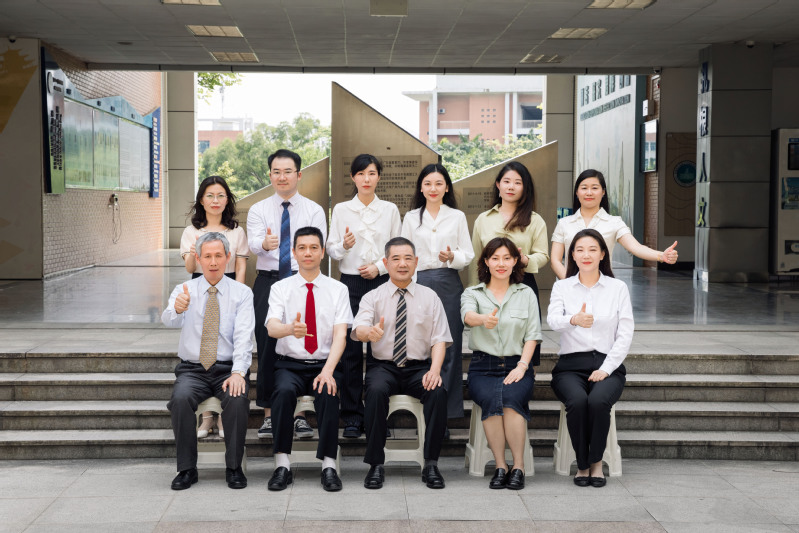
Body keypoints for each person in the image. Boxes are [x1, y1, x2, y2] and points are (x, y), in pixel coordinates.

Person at [352, 237, 451, 490]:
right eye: (395, 259)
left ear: (416, 262)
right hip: (383, 367)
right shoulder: (373, 296)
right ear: (385, 263)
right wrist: (369, 333)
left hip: (420, 368)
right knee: (375, 391)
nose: (402, 264)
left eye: (408, 258)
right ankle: (375, 464)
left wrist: (435, 371)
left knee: (437, 391)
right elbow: (359, 328)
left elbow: (440, 339)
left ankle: (431, 463)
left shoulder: (430, 297)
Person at [161, 232, 254, 490]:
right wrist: (177, 308)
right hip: (192, 370)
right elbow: (168, 320)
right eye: (207, 256)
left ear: (228, 257)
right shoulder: (184, 290)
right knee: (180, 399)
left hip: (227, 369)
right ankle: (186, 469)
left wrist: (238, 373)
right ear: (199, 259)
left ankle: (234, 467)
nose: (213, 262)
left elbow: (244, 336)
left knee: (237, 399)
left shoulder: (242, 293)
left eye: (218, 256)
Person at [247, 149, 327, 441]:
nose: (282, 177)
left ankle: (300, 415)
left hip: (300, 281)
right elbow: (253, 244)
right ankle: (269, 415)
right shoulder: (258, 209)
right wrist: (265, 244)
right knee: (268, 345)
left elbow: (317, 246)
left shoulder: (313, 210)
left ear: (299, 174)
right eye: (276, 172)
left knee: (301, 344)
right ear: (270, 175)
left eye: (288, 171)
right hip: (268, 282)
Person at [265, 226, 352, 492]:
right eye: (302, 248)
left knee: (328, 391)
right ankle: (282, 465)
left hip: (325, 363)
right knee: (282, 392)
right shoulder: (280, 288)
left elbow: (341, 335)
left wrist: (328, 371)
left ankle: (328, 465)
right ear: (293, 252)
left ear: (323, 252)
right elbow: (272, 328)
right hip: (289, 364)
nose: (308, 253)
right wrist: (290, 329)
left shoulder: (338, 289)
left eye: (314, 248)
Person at [547, 228, 633, 488]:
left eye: (593, 249)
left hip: (608, 365)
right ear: (572, 255)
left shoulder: (618, 288)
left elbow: (625, 333)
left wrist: (606, 369)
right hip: (570, 366)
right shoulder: (562, 286)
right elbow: (552, 321)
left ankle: (595, 463)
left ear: (603, 254)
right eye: (580, 250)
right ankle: (582, 465)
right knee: (577, 401)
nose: (586, 255)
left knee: (597, 401)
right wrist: (573, 319)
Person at [327, 154, 402, 438]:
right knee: (349, 350)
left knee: (380, 349)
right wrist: (344, 246)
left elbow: (398, 247)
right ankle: (351, 416)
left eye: (371, 173)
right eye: (361, 174)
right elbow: (331, 250)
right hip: (350, 284)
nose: (366, 179)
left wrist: (379, 267)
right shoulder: (342, 209)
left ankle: (377, 416)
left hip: (383, 281)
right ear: (353, 177)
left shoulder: (390, 210)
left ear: (378, 176)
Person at [461, 237, 541, 490]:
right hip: (482, 366)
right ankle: (500, 466)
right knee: (491, 400)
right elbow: (467, 316)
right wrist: (483, 319)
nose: (501, 263)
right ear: (486, 261)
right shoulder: (472, 293)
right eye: (495, 258)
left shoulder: (526, 293)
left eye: (507, 258)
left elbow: (533, 335)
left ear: (515, 261)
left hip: (517, 365)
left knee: (511, 400)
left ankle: (518, 466)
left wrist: (523, 366)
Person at [401, 163, 472, 425]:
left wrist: (452, 256)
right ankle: (425, 409)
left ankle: (446, 414)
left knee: (449, 346)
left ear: (447, 188)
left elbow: (468, 254)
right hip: (418, 282)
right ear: (421, 188)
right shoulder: (411, 218)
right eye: (428, 183)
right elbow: (403, 253)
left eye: (439, 183)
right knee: (421, 345)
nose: (433, 188)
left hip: (448, 282)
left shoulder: (457, 216)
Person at [180, 175, 249, 439]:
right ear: (201, 200)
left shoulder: (236, 231)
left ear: (227, 199)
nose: (215, 200)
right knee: (204, 345)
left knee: (227, 346)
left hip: (229, 288)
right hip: (200, 289)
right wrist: (192, 254)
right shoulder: (191, 231)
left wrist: (238, 296)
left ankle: (223, 415)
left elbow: (240, 266)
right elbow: (190, 267)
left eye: (221, 195)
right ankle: (207, 415)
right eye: (210, 195)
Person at [471, 161, 548, 368]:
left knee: (525, 337)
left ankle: (525, 378)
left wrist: (525, 260)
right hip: (490, 286)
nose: (511, 187)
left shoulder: (535, 220)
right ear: (498, 185)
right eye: (506, 181)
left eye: (517, 182)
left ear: (525, 187)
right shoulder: (483, 219)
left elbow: (543, 255)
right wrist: (473, 292)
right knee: (492, 335)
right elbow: (476, 259)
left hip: (522, 284)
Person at [550, 169, 678, 279]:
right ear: (577, 192)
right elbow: (555, 260)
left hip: (604, 289)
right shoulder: (564, 223)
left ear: (603, 192)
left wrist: (661, 255)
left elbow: (635, 247)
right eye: (584, 188)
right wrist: (570, 283)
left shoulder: (614, 222)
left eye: (594, 188)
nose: (589, 192)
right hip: (570, 290)